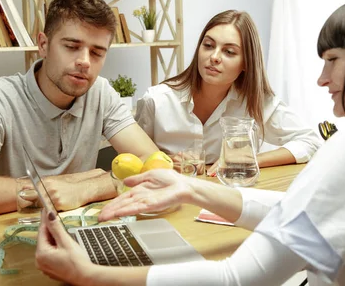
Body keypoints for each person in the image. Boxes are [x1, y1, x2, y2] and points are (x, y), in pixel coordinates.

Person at [35, 0, 345, 286]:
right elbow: (298, 220)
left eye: (332, 59)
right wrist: (191, 189)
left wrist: (89, 275)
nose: (321, 78)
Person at [0, 0, 159, 221]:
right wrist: (63, 184)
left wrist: (86, 188)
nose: (85, 62)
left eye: (97, 53)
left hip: (80, 230)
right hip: (5, 233)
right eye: (71, 46)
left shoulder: (101, 92)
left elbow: (153, 162)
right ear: (43, 44)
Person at [134, 10, 321, 174]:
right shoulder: (156, 101)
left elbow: (310, 141)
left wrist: (249, 159)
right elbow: (132, 162)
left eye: (229, 52)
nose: (214, 57)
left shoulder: (256, 102)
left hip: (229, 197)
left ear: (246, 63)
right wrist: (165, 163)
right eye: (208, 45)